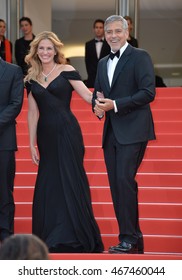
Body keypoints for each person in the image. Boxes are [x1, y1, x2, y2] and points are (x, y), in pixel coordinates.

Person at [24, 31, 104, 253]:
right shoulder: (31, 78)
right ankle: (51, 235)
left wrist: (101, 100)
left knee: (70, 179)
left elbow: (87, 96)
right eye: (41, 48)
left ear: (56, 50)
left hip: (68, 133)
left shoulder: (67, 71)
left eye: (49, 48)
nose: (45, 52)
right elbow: (32, 113)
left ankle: (75, 236)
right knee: (49, 184)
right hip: (46, 136)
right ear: (36, 51)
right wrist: (31, 144)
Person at [92, 15, 156, 254]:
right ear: (104, 34)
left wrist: (115, 105)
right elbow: (98, 92)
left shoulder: (140, 57)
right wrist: (97, 107)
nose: (113, 35)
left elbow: (148, 92)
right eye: (109, 32)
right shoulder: (102, 63)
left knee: (124, 182)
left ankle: (129, 239)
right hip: (111, 133)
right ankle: (132, 239)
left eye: (118, 31)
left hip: (134, 130)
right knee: (117, 185)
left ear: (127, 32)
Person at [0, 58, 24, 243]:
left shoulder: (13, 71)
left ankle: (5, 232)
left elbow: (16, 103)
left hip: (4, 139)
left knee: (4, 189)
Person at [85, 19, 110, 88]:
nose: (98, 30)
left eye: (100, 27)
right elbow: (87, 62)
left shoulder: (109, 44)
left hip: (106, 77)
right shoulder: (88, 44)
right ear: (93, 29)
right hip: (92, 79)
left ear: (104, 29)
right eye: (96, 27)